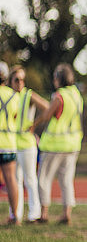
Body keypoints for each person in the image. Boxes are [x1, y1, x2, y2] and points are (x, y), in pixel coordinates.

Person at [32, 63, 83, 225]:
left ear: (59, 79)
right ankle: (66, 213)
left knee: (43, 179)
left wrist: (33, 124)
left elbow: (47, 114)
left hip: (54, 145)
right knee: (66, 180)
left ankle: (44, 213)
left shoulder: (59, 96)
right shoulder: (76, 95)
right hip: (73, 144)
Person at [9, 65, 49, 222]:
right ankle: (16, 214)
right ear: (10, 81)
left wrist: (35, 123)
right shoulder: (9, 96)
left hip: (26, 144)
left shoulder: (28, 95)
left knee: (30, 179)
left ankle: (34, 214)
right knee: (15, 180)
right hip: (12, 143)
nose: (20, 83)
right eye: (17, 80)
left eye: (22, 80)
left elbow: (47, 107)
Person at [0, 62, 21, 226]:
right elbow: (15, 118)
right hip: (9, 143)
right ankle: (15, 216)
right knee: (11, 180)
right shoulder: (14, 96)